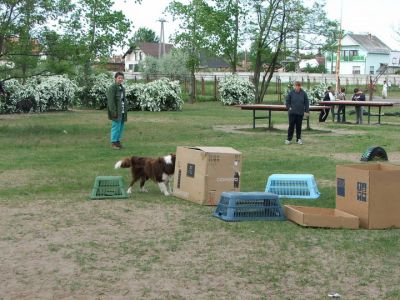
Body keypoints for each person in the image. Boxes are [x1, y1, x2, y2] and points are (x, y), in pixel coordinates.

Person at [107, 72, 127, 150]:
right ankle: (114, 142)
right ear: (115, 78)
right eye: (119, 78)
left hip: (122, 111)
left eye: (121, 78)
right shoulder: (112, 88)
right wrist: (113, 112)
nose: (120, 79)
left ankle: (118, 142)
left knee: (120, 127)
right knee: (115, 126)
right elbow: (111, 101)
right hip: (116, 112)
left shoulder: (122, 88)